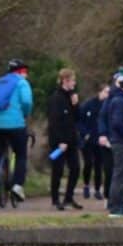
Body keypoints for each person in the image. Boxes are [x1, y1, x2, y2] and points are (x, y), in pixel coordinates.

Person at [0, 58, 33, 204]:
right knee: (20, 154)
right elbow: (27, 102)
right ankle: (18, 186)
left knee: (1, 144)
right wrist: (25, 114)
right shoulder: (21, 82)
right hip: (15, 123)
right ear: (21, 72)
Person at [100, 69, 123, 216]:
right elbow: (117, 123)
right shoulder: (120, 101)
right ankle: (116, 207)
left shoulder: (122, 100)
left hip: (121, 141)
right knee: (121, 175)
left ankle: (117, 204)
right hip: (121, 142)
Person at [48, 68, 82, 210]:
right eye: (72, 80)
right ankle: (55, 199)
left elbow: (77, 118)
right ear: (65, 81)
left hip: (72, 138)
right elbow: (55, 121)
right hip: (59, 140)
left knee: (75, 168)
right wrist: (60, 140)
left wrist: (75, 105)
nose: (74, 83)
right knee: (58, 170)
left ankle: (69, 197)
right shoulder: (56, 98)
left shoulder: (71, 97)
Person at [77, 81, 109, 201]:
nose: (108, 94)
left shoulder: (108, 106)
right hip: (88, 140)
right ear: (100, 92)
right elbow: (79, 121)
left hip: (100, 140)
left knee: (99, 165)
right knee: (88, 163)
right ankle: (86, 185)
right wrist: (85, 134)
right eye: (106, 92)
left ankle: (97, 189)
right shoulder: (88, 105)